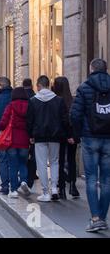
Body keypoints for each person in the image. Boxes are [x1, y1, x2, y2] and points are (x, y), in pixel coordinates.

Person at [71, 58, 110, 232]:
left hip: (90, 137)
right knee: (107, 180)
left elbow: (75, 115)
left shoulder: (84, 87)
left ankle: (95, 218)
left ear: (91, 69)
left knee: (92, 179)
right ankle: (101, 218)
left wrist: (77, 134)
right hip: (108, 138)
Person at [26, 75, 70, 202]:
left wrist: (30, 135)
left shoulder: (33, 101)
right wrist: (66, 134)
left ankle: (45, 192)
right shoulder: (59, 100)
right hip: (55, 136)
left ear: (39, 85)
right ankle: (55, 188)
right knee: (55, 162)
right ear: (48, 85)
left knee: (42, 164)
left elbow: (29, 121)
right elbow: (64, 119)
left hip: (39, 136)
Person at [0, 87, 31, 199]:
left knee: (13, 165)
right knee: (23, 163)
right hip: (25, 140)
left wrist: (2, 127)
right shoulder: (29, 105)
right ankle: (23, 181)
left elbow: (3, 123)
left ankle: (13, 190)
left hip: (12, 140)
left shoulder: (11, 106)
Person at [53, 76, 80, 200]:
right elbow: (76, 119)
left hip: (60, 135)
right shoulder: (73, 100)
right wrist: (74, 135)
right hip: (72, 135)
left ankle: (62, 188)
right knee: (72, 160)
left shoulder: (56, 101)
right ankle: (73, 186)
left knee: (60, 161)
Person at [23, 78, 38, 190]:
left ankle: (25, 175)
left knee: (24, 155)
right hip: (35, 131)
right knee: (33, 155)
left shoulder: (20, 98)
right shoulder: (35, 97)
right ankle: (31, 176)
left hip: (23, 131)